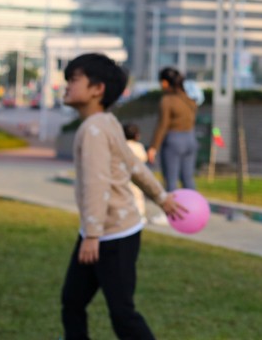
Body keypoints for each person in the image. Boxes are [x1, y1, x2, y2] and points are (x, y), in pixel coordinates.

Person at [60, 53, 186, 340]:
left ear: (97, 89)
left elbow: (96, 182)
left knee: (121, 314)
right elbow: (133, 165)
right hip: (104, 231)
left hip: (109, 235)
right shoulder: (107, 122)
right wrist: (161, 197)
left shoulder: (93, 129)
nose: (66, 85)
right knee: (72, 301)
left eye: (73, 79)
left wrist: (91, 234)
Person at [147, 66, 199, 192]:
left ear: (165, 82)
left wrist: (153, 147)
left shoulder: (167, 100)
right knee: (188, 180)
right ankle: (195, 209)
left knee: (171, 182)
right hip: (191, 139)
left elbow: (163, 125)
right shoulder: (189, 99)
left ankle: (172, 211)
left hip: (174, 141)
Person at [123, 122, 149, 221]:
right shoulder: (138, 146)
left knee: (125, 196)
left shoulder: (122, 145)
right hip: (136, 177)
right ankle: (140, 215)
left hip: (124, 177)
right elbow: (144, 158)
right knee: (138, 196)